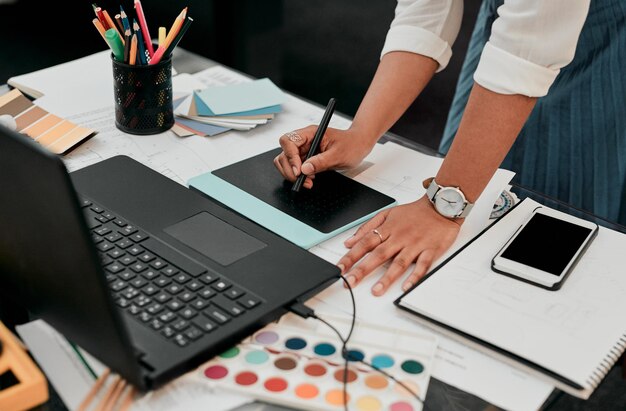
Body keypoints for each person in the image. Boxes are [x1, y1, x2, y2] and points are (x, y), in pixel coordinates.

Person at [274, 0, 626, 297]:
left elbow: (526, 49)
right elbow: (427, 11)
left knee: (558, 250)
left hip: (600, 34)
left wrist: (442, 208)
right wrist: (361, 133)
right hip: (511, 22)